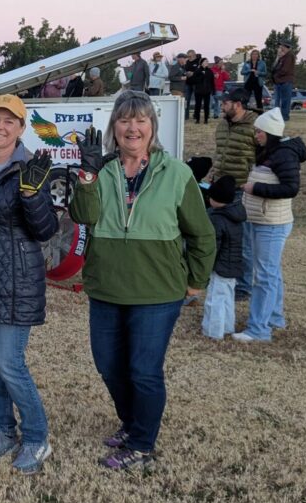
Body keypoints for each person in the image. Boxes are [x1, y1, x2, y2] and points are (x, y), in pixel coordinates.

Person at [70, 92, 215, 469]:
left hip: (157, 290)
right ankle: (132, 421)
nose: (132, 128)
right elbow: (84, 217)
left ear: (152, 128)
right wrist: (86, 177)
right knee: (108, 365)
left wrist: (196, 281)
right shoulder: (101, 171)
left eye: (141, 121)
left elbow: (201, 234)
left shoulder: (177, 173)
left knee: (144, 370)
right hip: (106, 285)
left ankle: (141, 443)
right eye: (124, 120)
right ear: (113, 128)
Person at [0, 95, 58, 474]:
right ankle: (2, 429)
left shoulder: (31, 169)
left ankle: (37, 437)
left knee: (10, 363)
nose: (0, 126)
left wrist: (33, 196)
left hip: (18, 280)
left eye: (9, 121)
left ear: (20, 129)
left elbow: (46, 229)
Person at [233, 109, 306, 343]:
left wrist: (255, 189)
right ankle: (274, 317)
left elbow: (290, 188)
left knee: (264, 276)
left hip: (272, 223)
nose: (256, 135)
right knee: (271, 273)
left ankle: (258, 329)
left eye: (259, 131)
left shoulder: (284, 155)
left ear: (270, 133)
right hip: (263, 220)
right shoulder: (271, 152)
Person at [213, 89, 259, 300]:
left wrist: (252, 181)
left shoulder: (255, 126)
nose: (222, 106)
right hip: (219, 188)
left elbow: (261, 157)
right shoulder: (222, 125)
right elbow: (219, 153)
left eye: (226, 103)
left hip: (241, 190)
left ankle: (243, 287)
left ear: (238, 104)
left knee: (243, 242)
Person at [201, 175, 245, 340]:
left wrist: (206, 263)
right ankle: (227, 326)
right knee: (227, 297)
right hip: (233, 265)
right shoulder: (237, 215)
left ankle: (213, 331)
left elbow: (213, 246)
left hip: (220, 266)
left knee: (214, 299)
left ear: (216, 199)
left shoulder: (217, 219)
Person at [271, 41, 295, 122]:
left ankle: (284, 117)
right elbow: (274, 67)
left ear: (286, 47)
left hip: (285, 81)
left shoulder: (289, 56)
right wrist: (278, 57)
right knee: (277, 100)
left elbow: (284, 70)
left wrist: (276, 75)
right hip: (279, 81)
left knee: (285, 101)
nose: (280, 49)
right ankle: (278, 116)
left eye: (282, 47)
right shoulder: (282, 57)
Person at [191, 56, 215, 124]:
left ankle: (206, 119)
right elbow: (194, 80)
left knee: (206, 106)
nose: (206, 63)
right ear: (201, 63)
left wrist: (213, 90)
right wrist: (202, 75)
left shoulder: (210, 71)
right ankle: (197, 119)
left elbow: (212, 81)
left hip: (207, 91)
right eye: (205, 61)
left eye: (207, 62)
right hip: (198, 91)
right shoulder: (197, 71)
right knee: (198, 105)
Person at [183, 49, 201, 119]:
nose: (189, 57)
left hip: (196, 84)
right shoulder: (186, 62)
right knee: (186, 100)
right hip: (188, 83)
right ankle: (186, 115)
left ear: (194, 55)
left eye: (190, 56)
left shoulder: (199, 61)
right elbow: (184, 70)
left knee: (197, 100)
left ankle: (196, 115)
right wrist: (186, 73)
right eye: (188, 56)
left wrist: (193, 73)